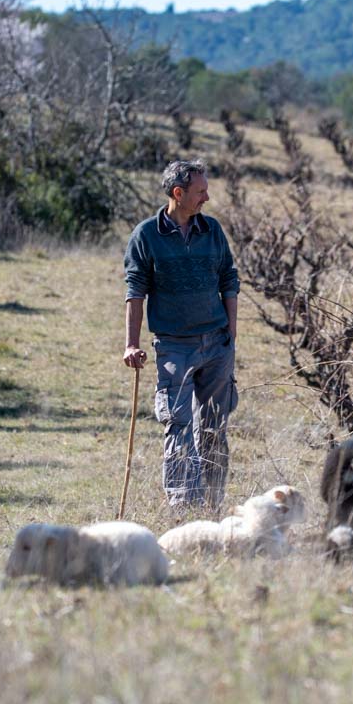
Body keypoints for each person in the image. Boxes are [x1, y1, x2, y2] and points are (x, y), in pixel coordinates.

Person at [123, 160, 240, 511]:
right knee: (178, 422)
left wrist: (230, 337)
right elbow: (135, 291)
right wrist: (131, 343)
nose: (207, 196)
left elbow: (228, 281)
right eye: (201, 190)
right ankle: (183, 507)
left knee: (215, 425)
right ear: (179, 193)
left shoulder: (212, 230)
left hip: (216, 344)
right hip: (174, 346)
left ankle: (213, 503)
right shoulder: (146, 236)